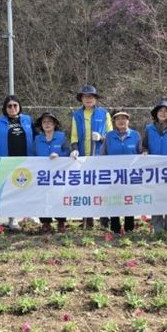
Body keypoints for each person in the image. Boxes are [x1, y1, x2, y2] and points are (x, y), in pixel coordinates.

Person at [0, 95, 35, 234]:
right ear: (5, 108)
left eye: (15, 105)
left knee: (27, 189)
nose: (12, 108)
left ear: (19, 106)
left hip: (26, 162)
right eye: (9, 106)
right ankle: (11, 218)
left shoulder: (28, 120)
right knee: (9, 192)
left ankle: (29, 214)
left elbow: (37, 138)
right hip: (6, 163)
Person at [69, 84, 113, 228]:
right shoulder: (77, 115)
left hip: (100, 157)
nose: (88, 99)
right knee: (85, 188)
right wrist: (75, 149)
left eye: (91, 96)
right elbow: (74, 136)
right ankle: (87, 220)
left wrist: (101, 137)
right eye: (85, 96)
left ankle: (104, 221)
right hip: (83, 157)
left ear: (95, 99)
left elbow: (111, 135)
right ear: (81, 99)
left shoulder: (104, 114)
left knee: (102, 188)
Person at [142, 100, 167, 235]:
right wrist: (145, 151)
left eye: (166, 111)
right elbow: (144, 145)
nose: (163, 113)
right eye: (160, 110)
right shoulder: (149, 129)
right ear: (156, 113)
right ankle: (157, 225)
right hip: (153, 170)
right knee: (156, 196)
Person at [100, 111, 142, 234]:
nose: (121, 121)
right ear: (114, 122)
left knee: (129, 200)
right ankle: (115, 228)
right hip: (113, 176)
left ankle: (129, 228)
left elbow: (141, 153)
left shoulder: (135, 135)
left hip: (130, 176)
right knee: (114, 200)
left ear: (128, 121)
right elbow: (103, 154)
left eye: (124, 118)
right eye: (118, 119)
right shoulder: (109, 136)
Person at [34, 111, 70, 233]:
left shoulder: (62, 137)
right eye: (44, 122)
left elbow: (68, 151)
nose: (47, 124)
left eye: (49, 122)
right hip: (42, 174)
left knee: (58, 196)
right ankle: (45, 222)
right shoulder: (37, 139)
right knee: (42, 196)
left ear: (54, 124)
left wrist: (59, 155)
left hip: (58, 174)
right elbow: (32, 154)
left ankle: (61, 221)